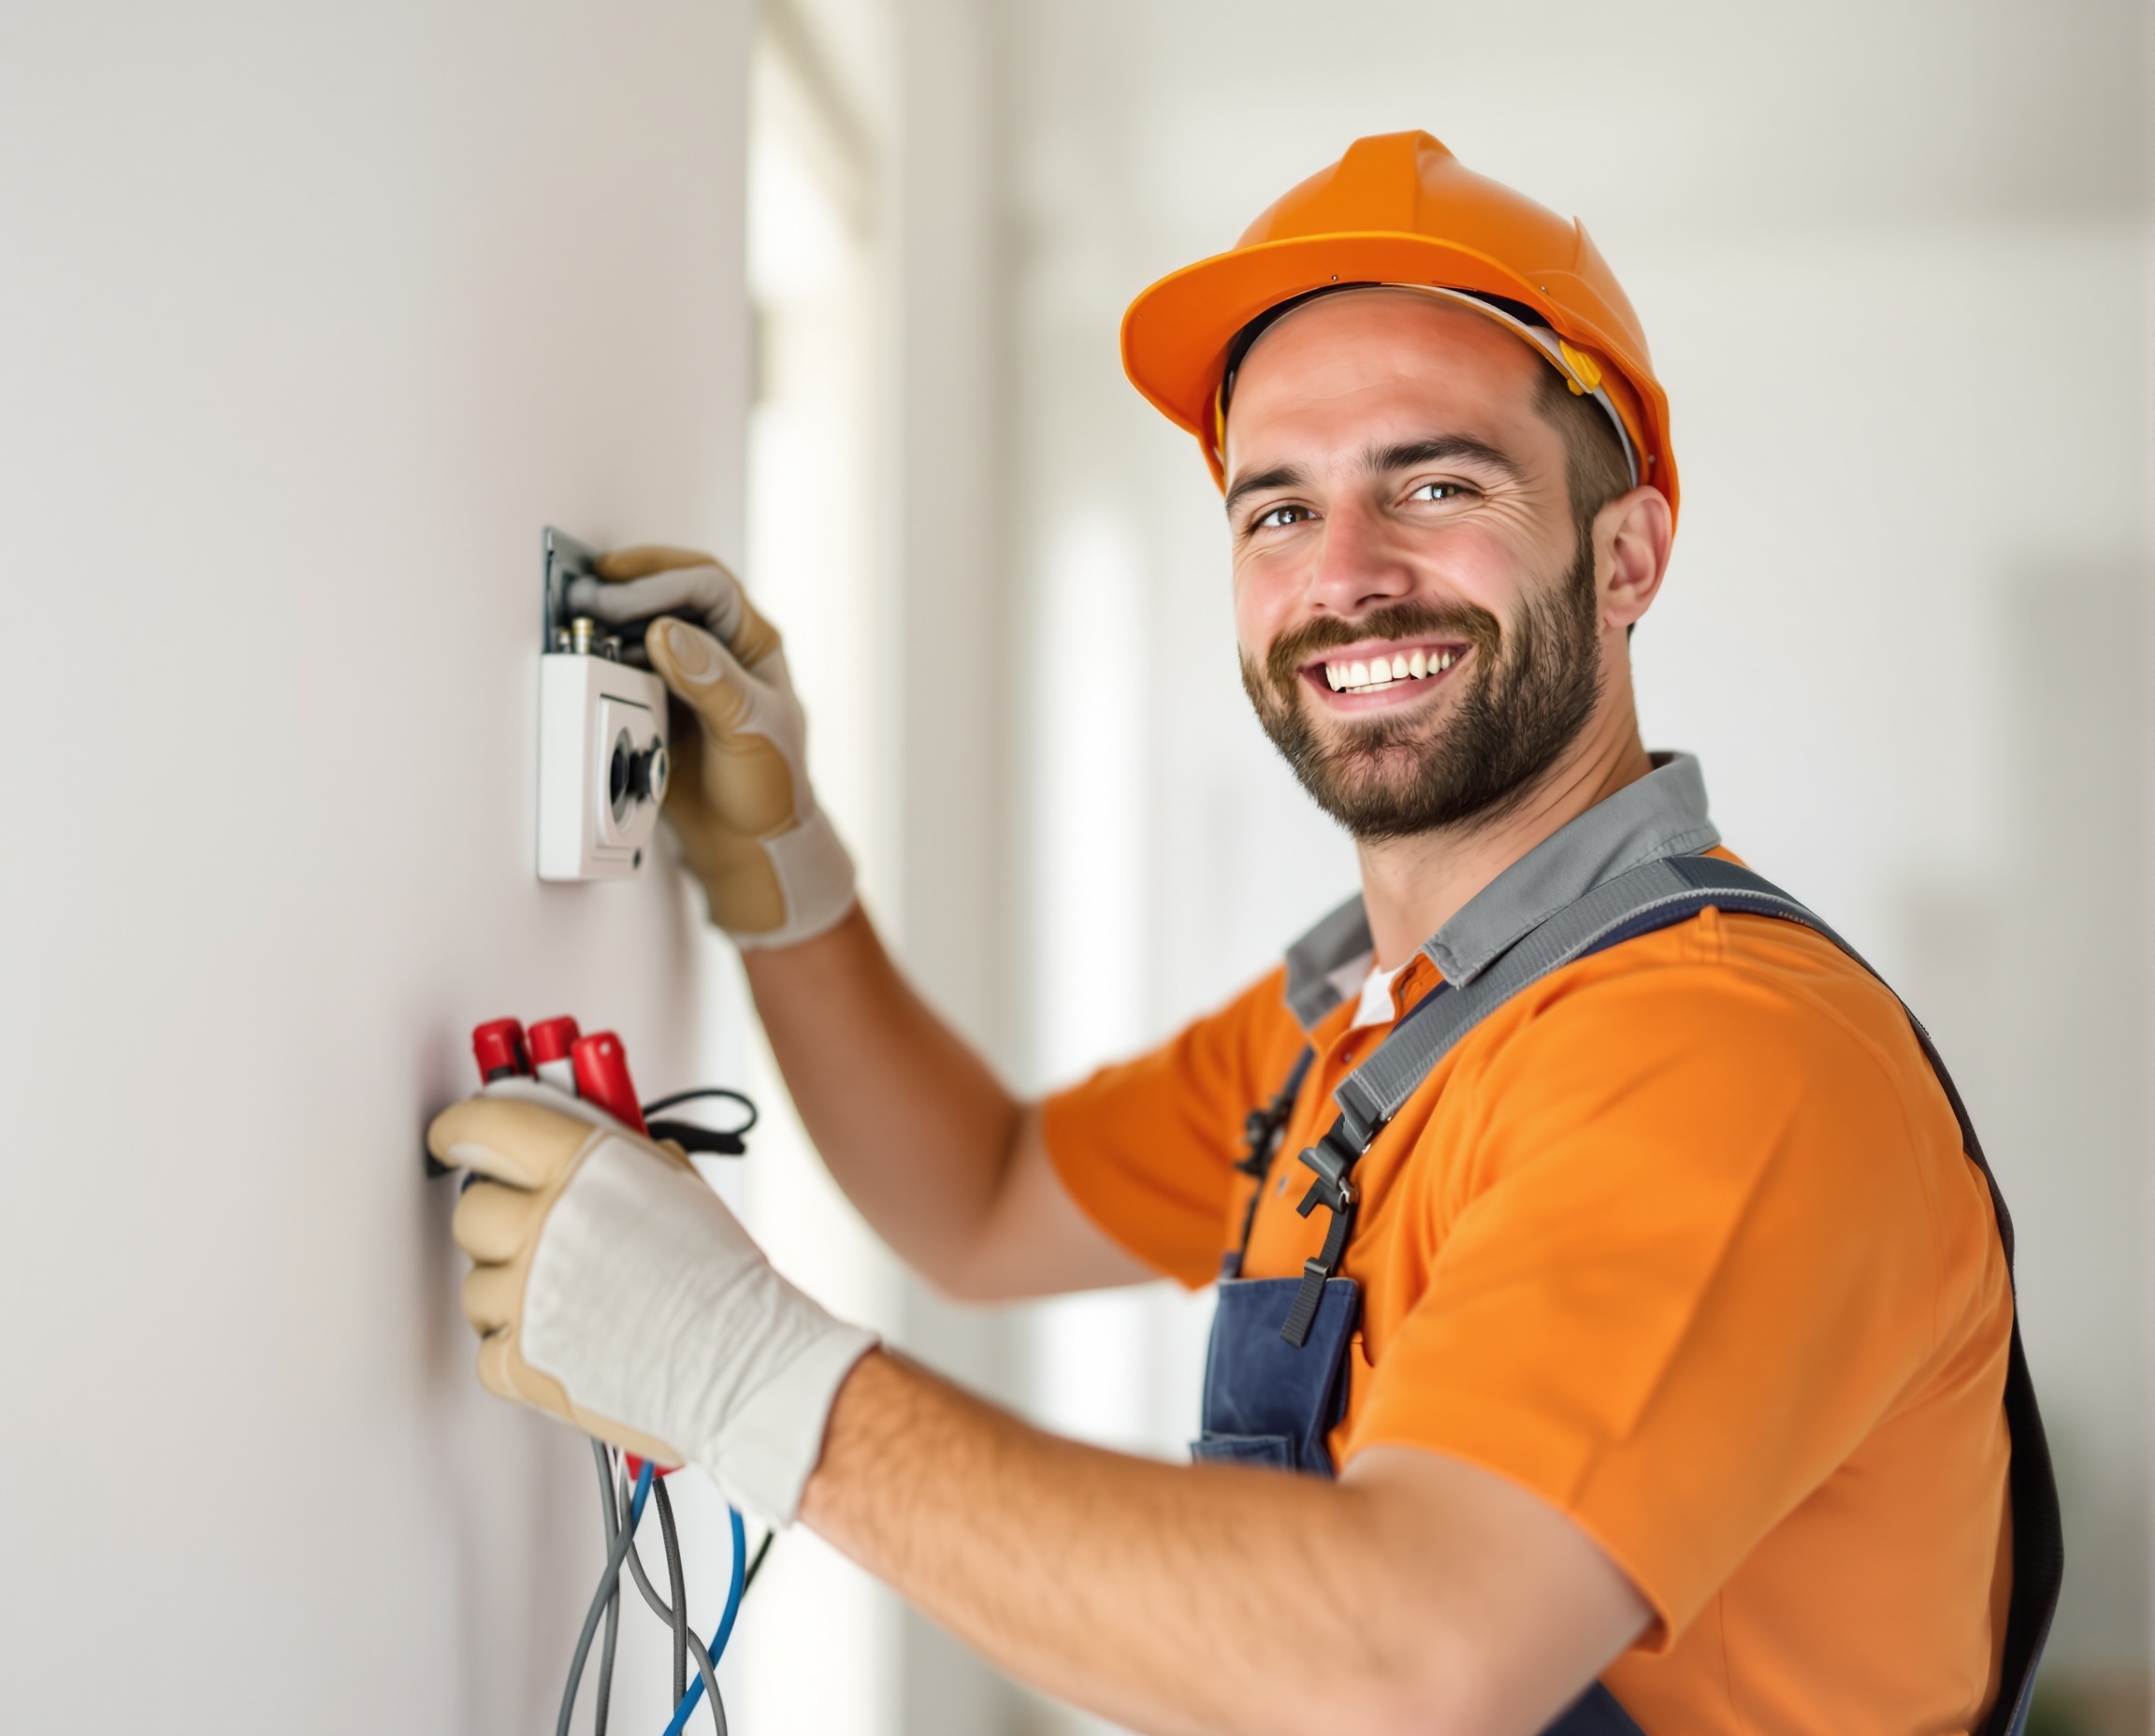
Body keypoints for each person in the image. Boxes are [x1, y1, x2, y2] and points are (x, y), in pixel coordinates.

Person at [430, 132, 2059, 1736]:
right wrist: (784, 877)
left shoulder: (1715, 1059)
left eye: (1436, 484)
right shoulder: (1365, 1026)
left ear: (1624, 554)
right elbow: (981, 1200)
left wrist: (744, 1377)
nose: (1346, 578)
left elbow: (1403, 1665)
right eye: (1277, 510)